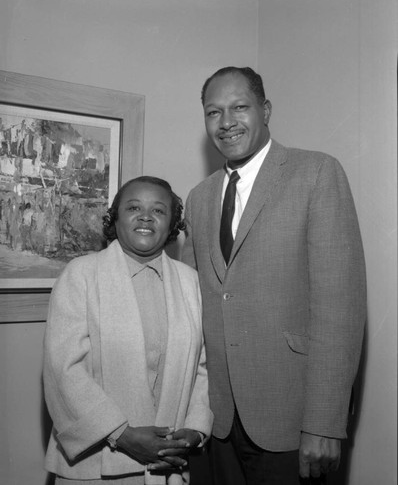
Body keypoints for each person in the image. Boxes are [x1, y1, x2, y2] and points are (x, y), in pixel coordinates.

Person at [182, 67, 366, 485]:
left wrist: (324, 423)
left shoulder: (316, 173)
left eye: (239, 107)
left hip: (293, 420)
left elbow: (341, 309)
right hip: (221, 422)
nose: (226, 122)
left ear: (265, 110)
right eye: (214, 112)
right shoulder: (200, 198)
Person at [43, 176, 213, 485]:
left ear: (172, 223)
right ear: (115, 218)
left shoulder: (190, 282)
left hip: (168, 467)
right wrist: (121, 434)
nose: (146, 216)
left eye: (159, 210)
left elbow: (203, 367)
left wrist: (195, 429)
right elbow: (63, 370)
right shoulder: (81, 275)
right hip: (95, 466)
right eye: (133, 207)